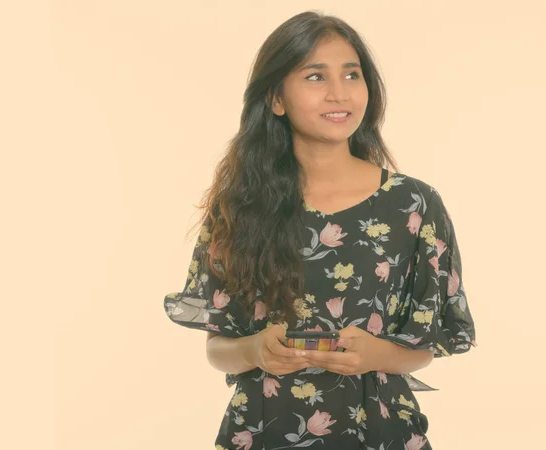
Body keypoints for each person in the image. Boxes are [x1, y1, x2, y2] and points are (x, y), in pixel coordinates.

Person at [163, 10, 477, 450]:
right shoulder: (240, 204)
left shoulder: (414, 204)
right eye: (315, 77)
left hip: (380, 431)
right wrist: (256, 350)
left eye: (352, 75)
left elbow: (428, 342)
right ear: (276, 98)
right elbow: (218, 345)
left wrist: (375, 354)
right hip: (263, 429)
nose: (338, 93)